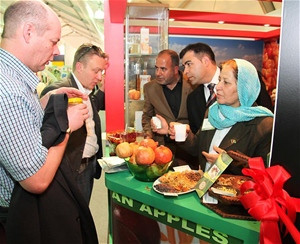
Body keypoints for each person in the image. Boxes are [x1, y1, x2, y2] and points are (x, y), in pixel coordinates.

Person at [0, 1, 98, 243]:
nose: (56, 51)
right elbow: (37, 180)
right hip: (16, 217)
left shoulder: (15, 79)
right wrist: (66, 125)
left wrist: (45, 102)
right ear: (29, 32)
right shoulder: (9, 90)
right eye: (53, 41)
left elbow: (22, 125)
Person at [167, 59, 274, 175]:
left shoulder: (264, 125)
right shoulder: (212, 112)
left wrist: (227, 163)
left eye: (226, 82)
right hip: (204, 190)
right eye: (219, 80)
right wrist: (186, 136)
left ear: (244, 88)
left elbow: (265, 173)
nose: (218, 87)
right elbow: (199, 147)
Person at [41, 43, 108, 203]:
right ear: (79, 67)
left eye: (102, 71)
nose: (99, 77)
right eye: (96, 71)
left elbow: (93, 108)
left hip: (88, 164)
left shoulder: (86, 89)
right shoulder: (59, 92)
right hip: (73, 169)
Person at [179, 42, 273, 134]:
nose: (185, 71)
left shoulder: (245, 79)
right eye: (184, 66)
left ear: (205, 61)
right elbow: (198, 139)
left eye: (189, 64)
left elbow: (263, 116)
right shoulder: (192, 99)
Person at [142, 49, 196, 168]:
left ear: (176, 69)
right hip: (162, 151)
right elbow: (147, 116)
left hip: (190, 150)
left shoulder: (194, 85)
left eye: (163, 69)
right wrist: (148, 136)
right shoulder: (150, 88)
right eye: (156, 68)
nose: (158, 73)